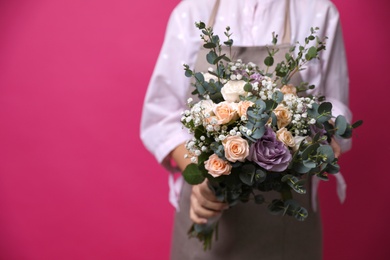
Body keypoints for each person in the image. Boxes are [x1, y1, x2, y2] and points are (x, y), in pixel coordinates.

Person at [141, 0, 352, 259]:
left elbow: (334, 107)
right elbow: (162, 115)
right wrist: (205, 180)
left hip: (285, 223)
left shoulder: (318, 12)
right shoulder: (192, 12)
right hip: (207, 209)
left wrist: (324, 135)